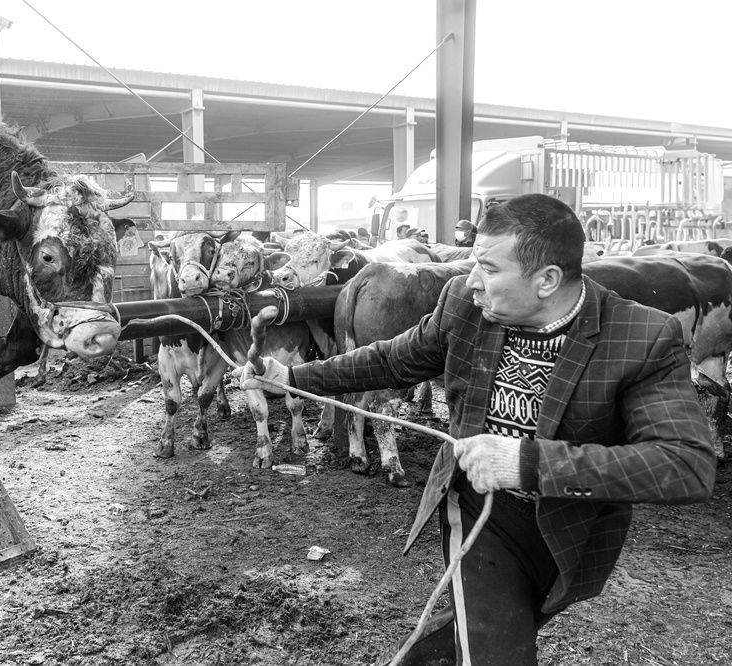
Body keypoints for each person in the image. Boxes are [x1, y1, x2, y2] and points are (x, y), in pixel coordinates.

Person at [237, 193, 716, 665]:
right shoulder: (464, 306)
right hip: (477, 510)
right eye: (472, 263)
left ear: (548, 280)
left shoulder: (642, 336)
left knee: (485, 629)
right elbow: (392, 358)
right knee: (495, 646)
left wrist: (525, 462)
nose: (471, 283)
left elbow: (686, 464)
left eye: (488, 268)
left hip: (571, 525)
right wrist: (293, 378)